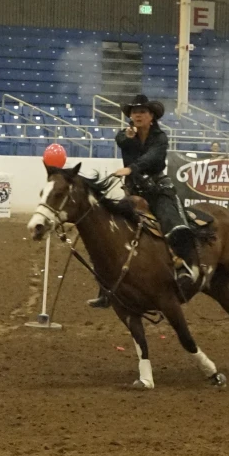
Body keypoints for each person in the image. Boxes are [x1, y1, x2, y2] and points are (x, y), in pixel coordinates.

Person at [87, 94, 211, 308]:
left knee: (173, 223)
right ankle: (106, 288)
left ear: (151, 116)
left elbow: (154, 157)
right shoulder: (126, 135)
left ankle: (182, 268)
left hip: (158, 190)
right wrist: (129, 139)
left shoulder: (160, 138)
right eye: (134, 112)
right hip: (134, 193)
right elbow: (121, 140)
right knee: (113, 233)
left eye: (142, 111)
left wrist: (131, 168)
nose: (137, 115)